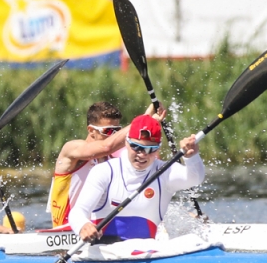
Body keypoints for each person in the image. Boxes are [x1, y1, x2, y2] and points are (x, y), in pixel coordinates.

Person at [70, 115, 203, 243]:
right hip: (103, 252)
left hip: (146, 253)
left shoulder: (164, 172)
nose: (143, 154)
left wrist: (192, 157)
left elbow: (194, 179)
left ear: (158, 148)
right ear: (126, 142)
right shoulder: (104, 171)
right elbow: (78, 211)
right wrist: (83, 225)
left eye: (151, 149)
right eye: (137, 147)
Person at [47, 100, 165, 228]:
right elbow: (106, 146)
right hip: (67, 229)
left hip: (98, 228)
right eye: (108, 131)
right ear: (91, 130)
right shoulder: (72, 150)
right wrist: (144, 119)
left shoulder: (112, 161)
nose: (113, 135)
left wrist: (151, 125)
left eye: (117, 130)